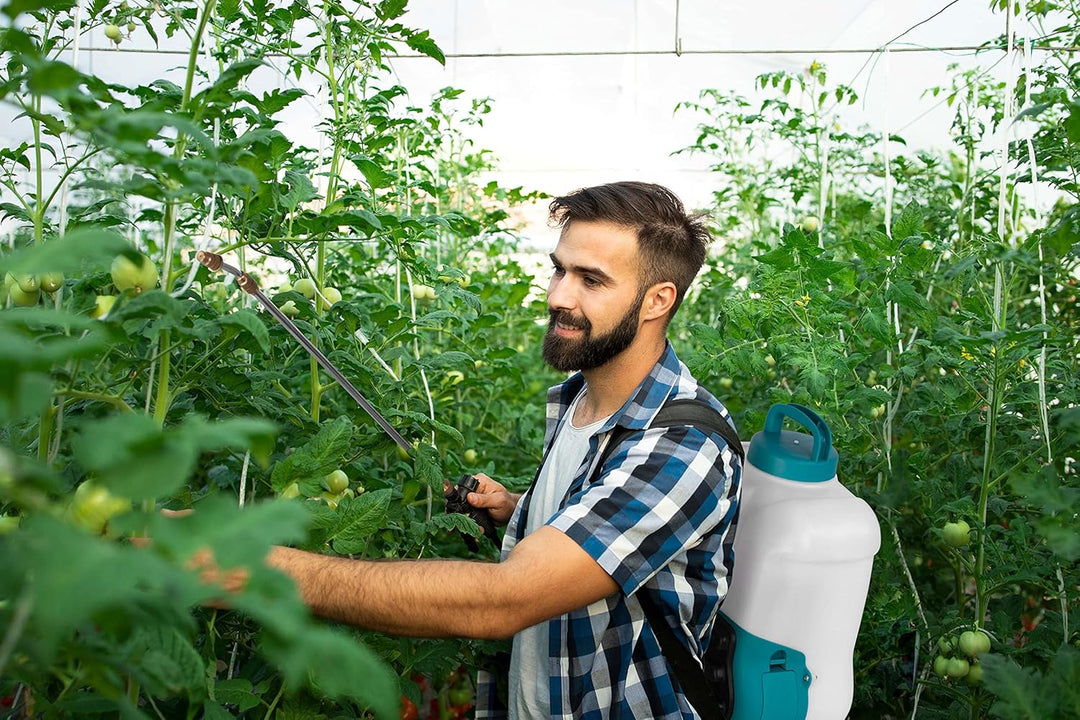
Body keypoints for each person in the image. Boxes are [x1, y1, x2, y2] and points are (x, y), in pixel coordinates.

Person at [268, 181, 742, 719]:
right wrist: (519, 512)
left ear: (658, 300)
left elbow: (503, 600)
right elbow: (609, 531)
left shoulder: (683, 446)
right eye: (559, 269)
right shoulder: (579, 399)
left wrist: (254, 569)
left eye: (591, 280)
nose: (559, 296)